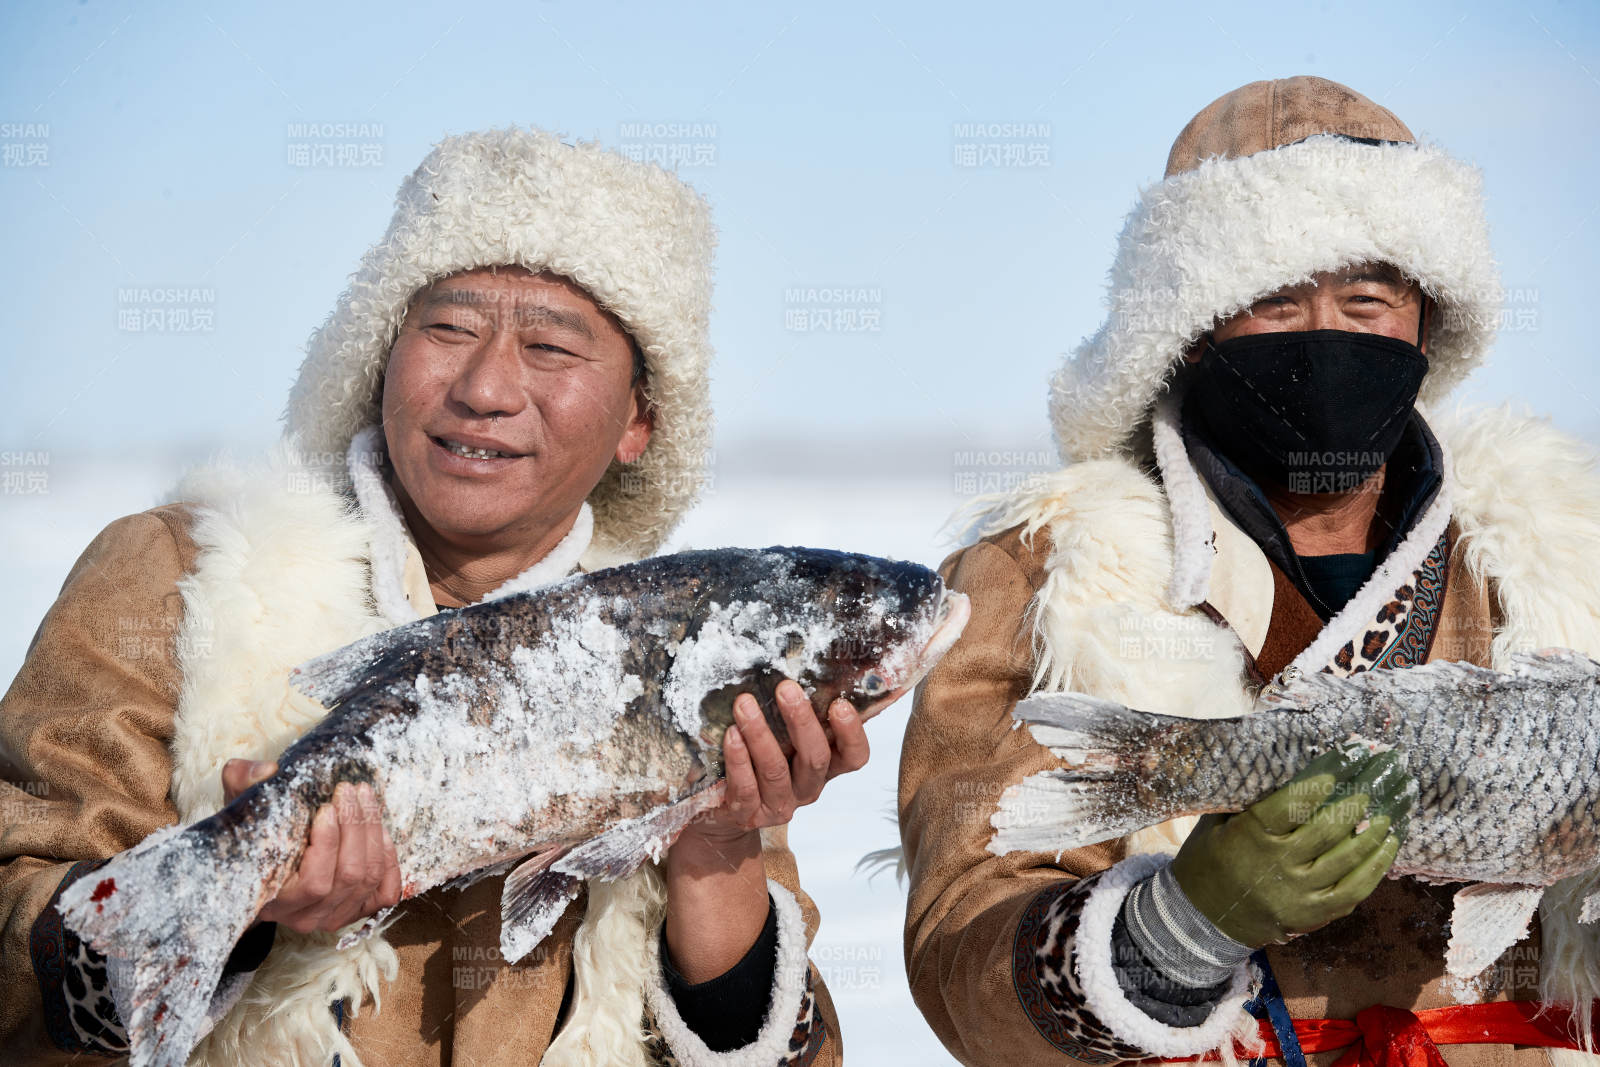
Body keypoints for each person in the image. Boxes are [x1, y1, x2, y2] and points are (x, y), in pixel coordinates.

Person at [1, 128, 854, 1066]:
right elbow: (14, 934)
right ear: (379, 355)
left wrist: (714, 850)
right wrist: (244, 909)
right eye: (446, 329)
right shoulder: (181, 574)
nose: (485, 387)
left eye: (551, 346)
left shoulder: (679, 664)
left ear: (639, 422)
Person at [899, 76, 1600, 1066]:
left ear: (1425, 325)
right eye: (1271, 302)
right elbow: (960, 942)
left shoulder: (1566, 556)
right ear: (1187, 332)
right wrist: (1174, 927)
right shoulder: (1045, 575)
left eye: (1366, 297)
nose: (1325, 336)